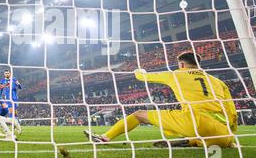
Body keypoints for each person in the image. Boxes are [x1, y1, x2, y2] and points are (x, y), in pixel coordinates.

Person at [84, 52, 238, 148]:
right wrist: (230, 135)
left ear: (182, 64)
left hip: (194, 121)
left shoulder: (176, 74)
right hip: (222, 131)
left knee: (139, 115)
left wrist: (138, 70)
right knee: (206, 138)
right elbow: (232, 111)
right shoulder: (218, 82)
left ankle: (105, 138)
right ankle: (190, 141)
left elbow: (142, 76)